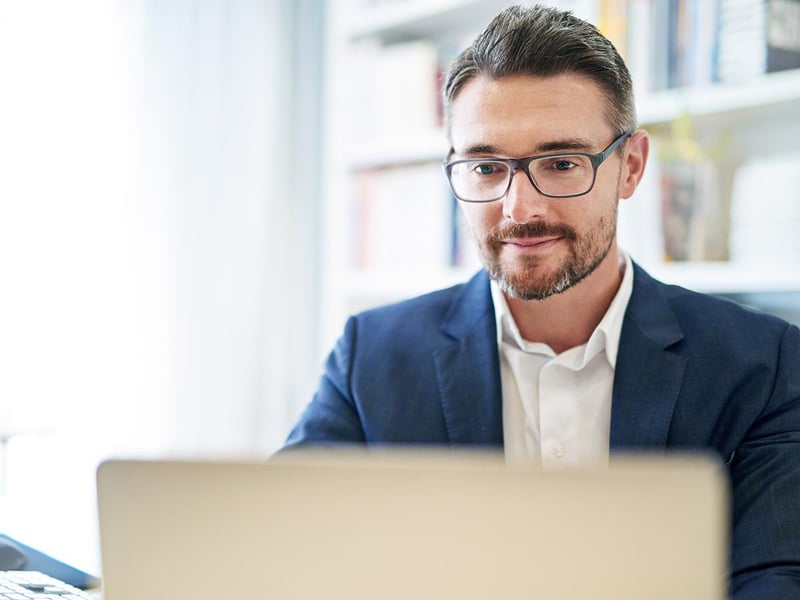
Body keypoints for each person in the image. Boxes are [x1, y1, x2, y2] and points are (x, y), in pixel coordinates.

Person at [285, 4, 800, 597]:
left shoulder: (762, 363)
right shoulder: (371, 359)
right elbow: (284, 550)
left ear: (629, 167)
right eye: (485, 166)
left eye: (560, 163)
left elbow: (774, 579)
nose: (520, 209)